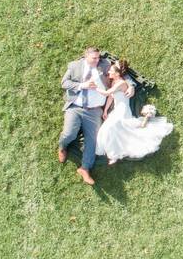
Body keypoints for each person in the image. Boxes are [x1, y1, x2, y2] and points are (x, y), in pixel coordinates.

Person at [57, 47, 133, 185]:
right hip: (76, 107)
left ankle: (84, 168)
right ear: (86, 57)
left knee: (93, 141)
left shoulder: (104, 65)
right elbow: (64, 83)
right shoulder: (75, 66)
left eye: (99, 58)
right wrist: (82, 85)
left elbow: (123, 74)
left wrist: (131, 86)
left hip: (94, 110)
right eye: (94, 58)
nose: (98, 60)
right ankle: (62, 146)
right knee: (69, 134)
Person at [95, 58, 173, 165]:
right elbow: (111, 97)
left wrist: (95, 87)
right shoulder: (114, 82)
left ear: (117, 74)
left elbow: (107, 93)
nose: (108, 72)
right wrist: (105, 111)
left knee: (112, 127)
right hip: (116, 109)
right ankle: (112, 152)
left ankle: (114, 154)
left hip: (122, 110)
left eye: (111, 71)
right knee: (106, 129)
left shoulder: (121, 83)